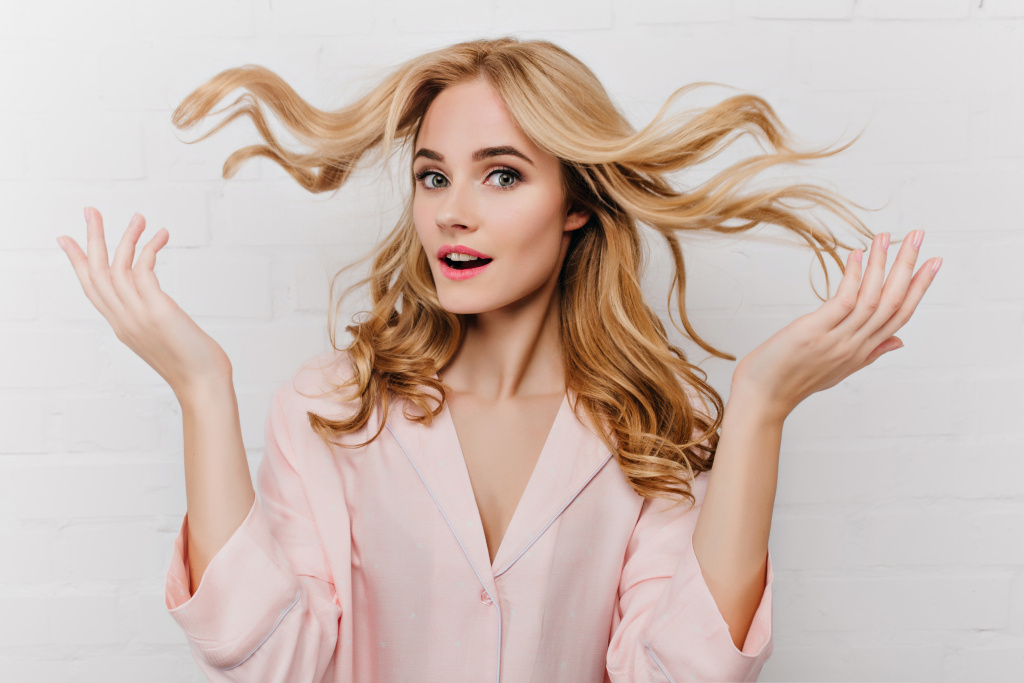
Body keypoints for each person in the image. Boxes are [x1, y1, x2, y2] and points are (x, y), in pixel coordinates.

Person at [56, 36, 941, 682]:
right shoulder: (333, 409)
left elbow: (682, 675)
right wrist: (200, 388)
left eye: (503, 174)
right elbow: (271, 659)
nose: (452, 212)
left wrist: (760, 406)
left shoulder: (654, 427)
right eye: (434, 175)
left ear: (577, 203)